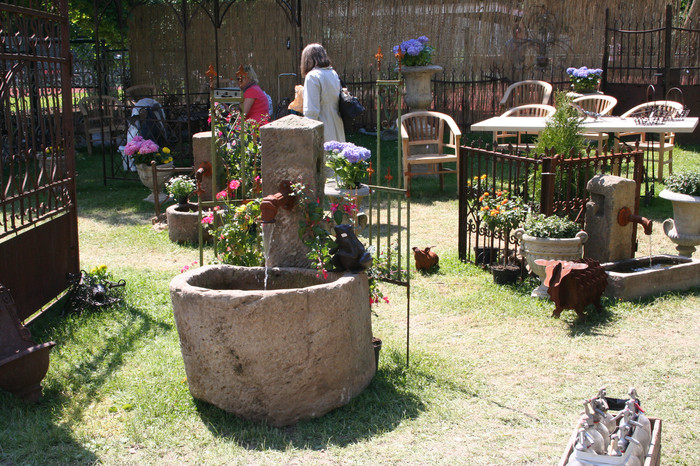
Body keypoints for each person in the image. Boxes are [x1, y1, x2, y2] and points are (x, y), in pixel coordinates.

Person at [301, 43, 345, 142]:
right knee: (337, 150)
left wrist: (308, 136)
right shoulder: (333, 73)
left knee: (327, 151)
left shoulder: (312, 76)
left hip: (322, 127)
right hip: (336, 123)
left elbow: (311, 111)